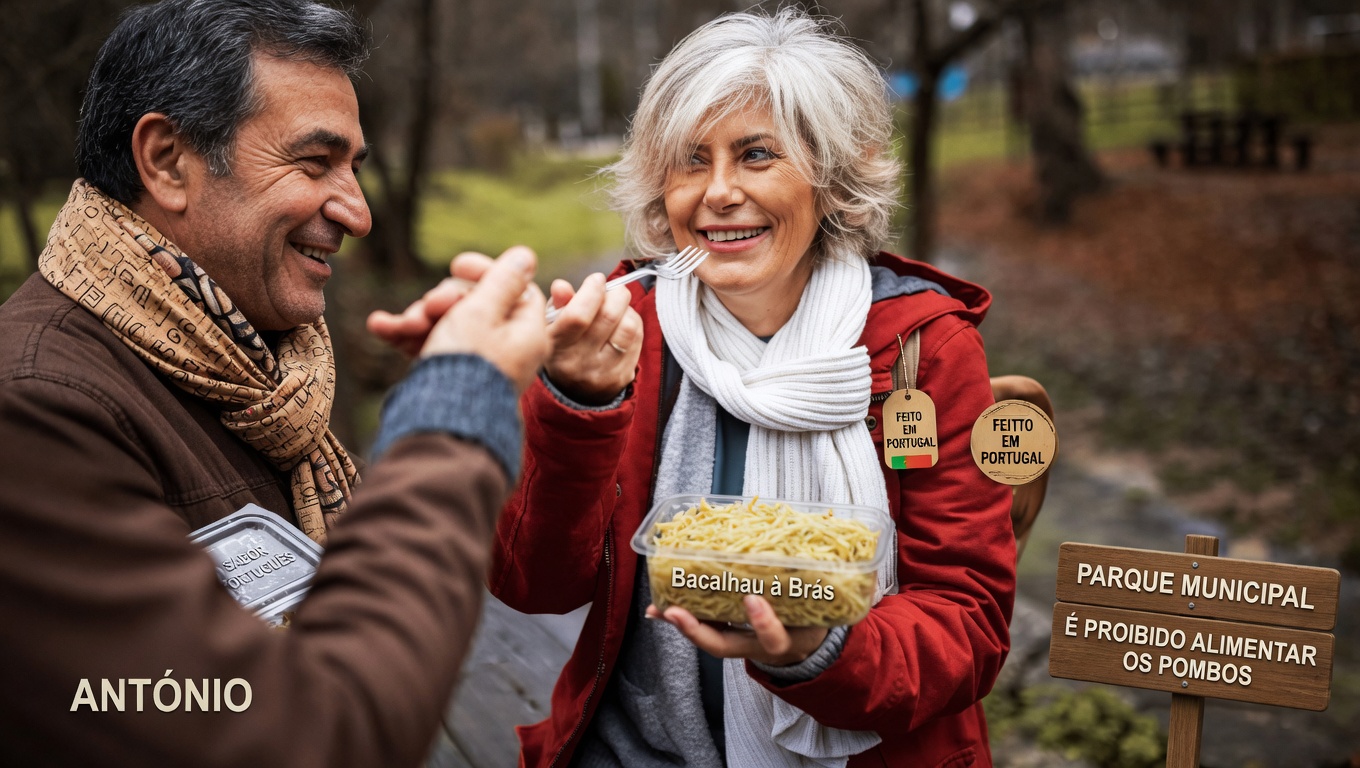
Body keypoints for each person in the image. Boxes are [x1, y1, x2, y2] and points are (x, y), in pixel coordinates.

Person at [0, 1, 549, 766]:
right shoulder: (33, 413)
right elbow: (307, 738)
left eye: (354, 167)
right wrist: (452, 409)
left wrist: (575, 399)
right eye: (313, 162)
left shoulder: (268, 367)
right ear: (165, 161)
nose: (356, 212)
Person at [486, 9, 1016, 768]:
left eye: (756, 155)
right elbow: (531, 584)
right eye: (691, 161)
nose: (719, 193)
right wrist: (579, 406)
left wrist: (822, 647)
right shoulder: (624, 327)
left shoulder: (920, 354)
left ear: (831, 175)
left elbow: (969, 624)